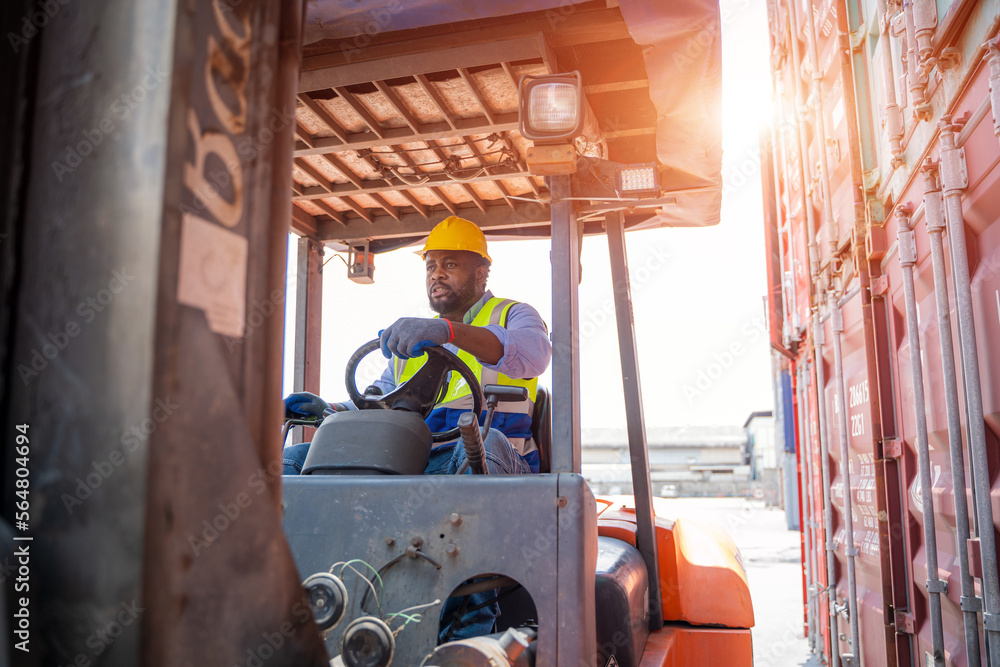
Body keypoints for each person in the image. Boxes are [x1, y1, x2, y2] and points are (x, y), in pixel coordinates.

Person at [281, 215, 551, 477]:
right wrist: (331, 410)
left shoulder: (514, 314)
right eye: (431, 267)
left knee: (484, 441)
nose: (437, 275)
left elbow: (535, 354)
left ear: (480, 274)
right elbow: (379, 402)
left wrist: (449, 331)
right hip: (419, 459)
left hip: (498, 462)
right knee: (295, 459)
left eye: (450, 265)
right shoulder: (414, 337)